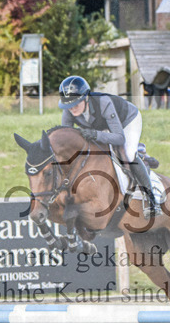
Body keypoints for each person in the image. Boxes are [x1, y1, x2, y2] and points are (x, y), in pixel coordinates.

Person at [58, 75, 158, 217]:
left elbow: (119, 137)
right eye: (68, 105)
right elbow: (67, 138)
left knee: (129, 154)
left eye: (76, 103)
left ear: (85, 98)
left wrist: (95, 134)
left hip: (126, 122)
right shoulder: (69, 109)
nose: (72, 108)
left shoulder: (103, 102)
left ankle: (151, 199)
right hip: (101, 127)